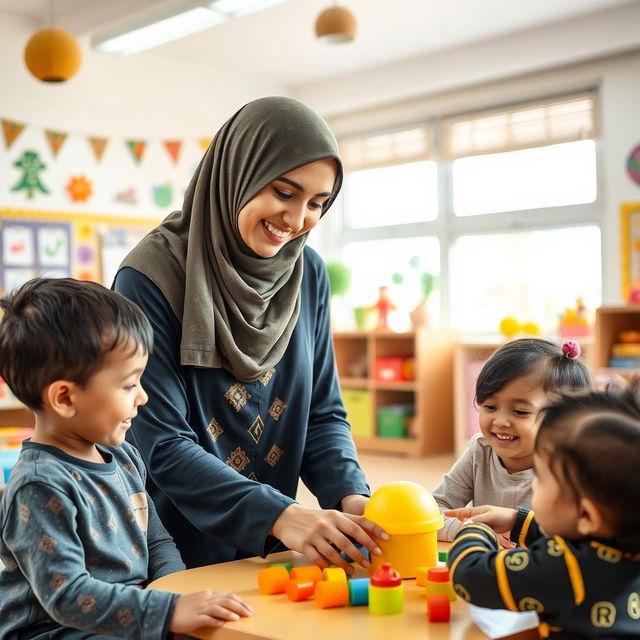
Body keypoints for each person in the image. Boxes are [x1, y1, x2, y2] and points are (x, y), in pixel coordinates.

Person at [113, 96, 386, 572]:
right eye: (284, 192)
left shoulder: (308, 273)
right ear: (238, 172)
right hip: (169, 546)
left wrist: (351, 497)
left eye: (318, 203)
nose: (297, 220)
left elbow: (321, 412)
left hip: (273, 542)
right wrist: (280, 514)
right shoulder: (150, 276)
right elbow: (162, 443)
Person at [0, 278, 253, 640]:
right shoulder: (39, 485)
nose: (143, 397)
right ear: (65, 398)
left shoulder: (123, 456)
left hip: (128, 613)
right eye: (129, 384)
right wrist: (168, 611)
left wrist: (173, 592)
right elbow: (67, 596)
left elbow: (157, 542)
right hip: (56, 630)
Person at [444, 382, 640, 639]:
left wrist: (474, 532)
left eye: (542, 478)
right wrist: (518, 521)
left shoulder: (568, 568)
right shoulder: (620, 545)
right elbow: (573, 540)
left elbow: (473, 577)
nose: (534, 483)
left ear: (586, 515)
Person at [432, 337, 592, 542]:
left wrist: (522, 528)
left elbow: (583, 536)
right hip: (490, 567)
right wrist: (469, 531)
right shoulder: (480, 450)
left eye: (519, 411)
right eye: (490, 407)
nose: (500, 421)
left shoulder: (570, 466)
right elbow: (431, 511)